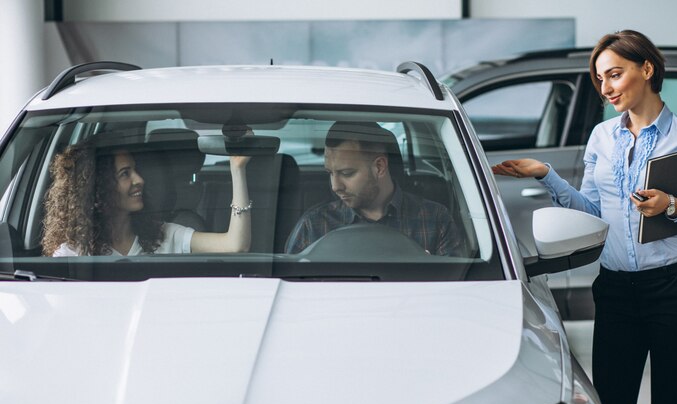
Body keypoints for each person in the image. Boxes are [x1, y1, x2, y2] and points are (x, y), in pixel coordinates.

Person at [492, 30, 677, 404]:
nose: (607, 88)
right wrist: (547, 175)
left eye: (615, 74)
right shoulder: (601, 137)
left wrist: (671, 206)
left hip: (675, 291)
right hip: (616, 291)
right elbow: (594, 214)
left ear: (647, 69)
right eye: (600, 79)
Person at [42, 134, 253, 256]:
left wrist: (237, 169)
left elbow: (236, 245)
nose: (139, 180)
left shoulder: (164, 236)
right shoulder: (72, 254)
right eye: (125, 174)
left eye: (135, 170)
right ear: (98, 187)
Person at [284, 121, 463, 256]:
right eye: (330, 173)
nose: (335, 186)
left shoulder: (435, 219)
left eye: (346, 173)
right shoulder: (314, 226)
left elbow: (458, 291)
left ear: (379, 167)